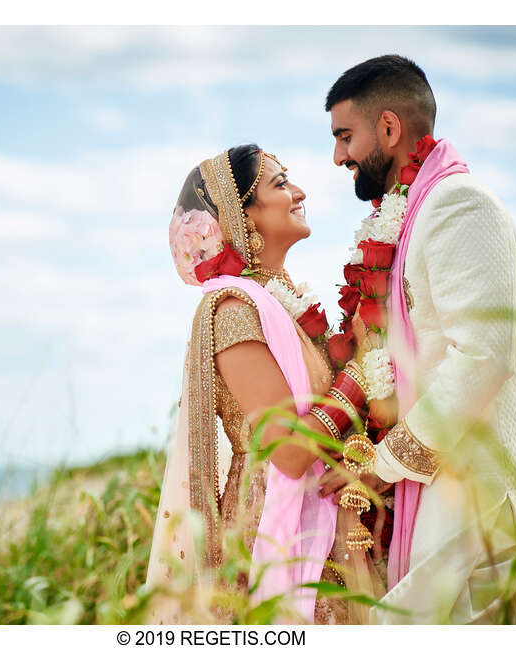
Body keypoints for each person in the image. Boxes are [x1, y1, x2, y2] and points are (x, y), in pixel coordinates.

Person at [322, 54, 516, 623]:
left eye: (345, 136)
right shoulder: (411, 212)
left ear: (390, 128)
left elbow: (482, 355)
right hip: (443, 486)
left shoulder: (457, 205)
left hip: (477, 498)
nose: (338, 156)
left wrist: (384, 463)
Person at [144, 146, 386, 624]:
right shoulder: (234, 312)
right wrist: (359, 371)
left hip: (325, 519)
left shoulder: (283, 307)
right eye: (280, 185)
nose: (299, 193)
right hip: (271, 528)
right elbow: (291, 454)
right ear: (241, 215)